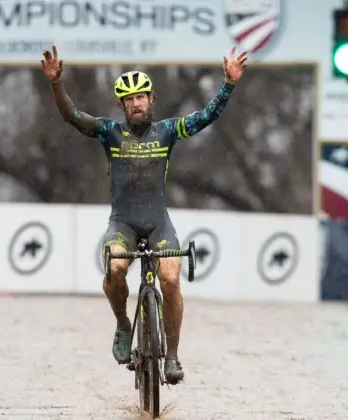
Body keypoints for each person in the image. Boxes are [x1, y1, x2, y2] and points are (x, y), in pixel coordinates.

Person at [40, 45, 248, 384]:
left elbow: (206, 116)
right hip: (122, 224)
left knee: (170, 279)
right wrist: (55, 84)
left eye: (141, 97)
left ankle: (174, 357)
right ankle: (123, 325)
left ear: (152, 100)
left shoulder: (168, 131)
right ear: (122, 106)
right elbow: (73, 117)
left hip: (158, 224)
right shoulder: (110, 132)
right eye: (129, 99)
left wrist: (228, 84)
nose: (136, 104)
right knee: (115, 268)